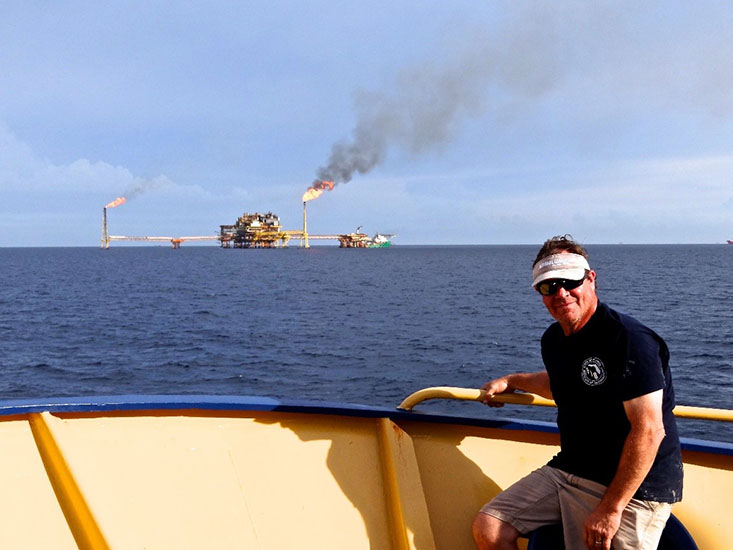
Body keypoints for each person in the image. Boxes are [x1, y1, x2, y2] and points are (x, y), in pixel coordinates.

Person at [472, 235, 683, 550]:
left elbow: (649, 431)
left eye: (569, 282)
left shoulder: (628, 339)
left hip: (635, 487)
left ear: (591, 279)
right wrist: (513, 380)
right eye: (548, 286)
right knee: (491, 527)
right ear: (539, 293)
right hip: (572, 468)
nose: (560, 293)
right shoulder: (554, 340)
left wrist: (610, 509)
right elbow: (562, 384)